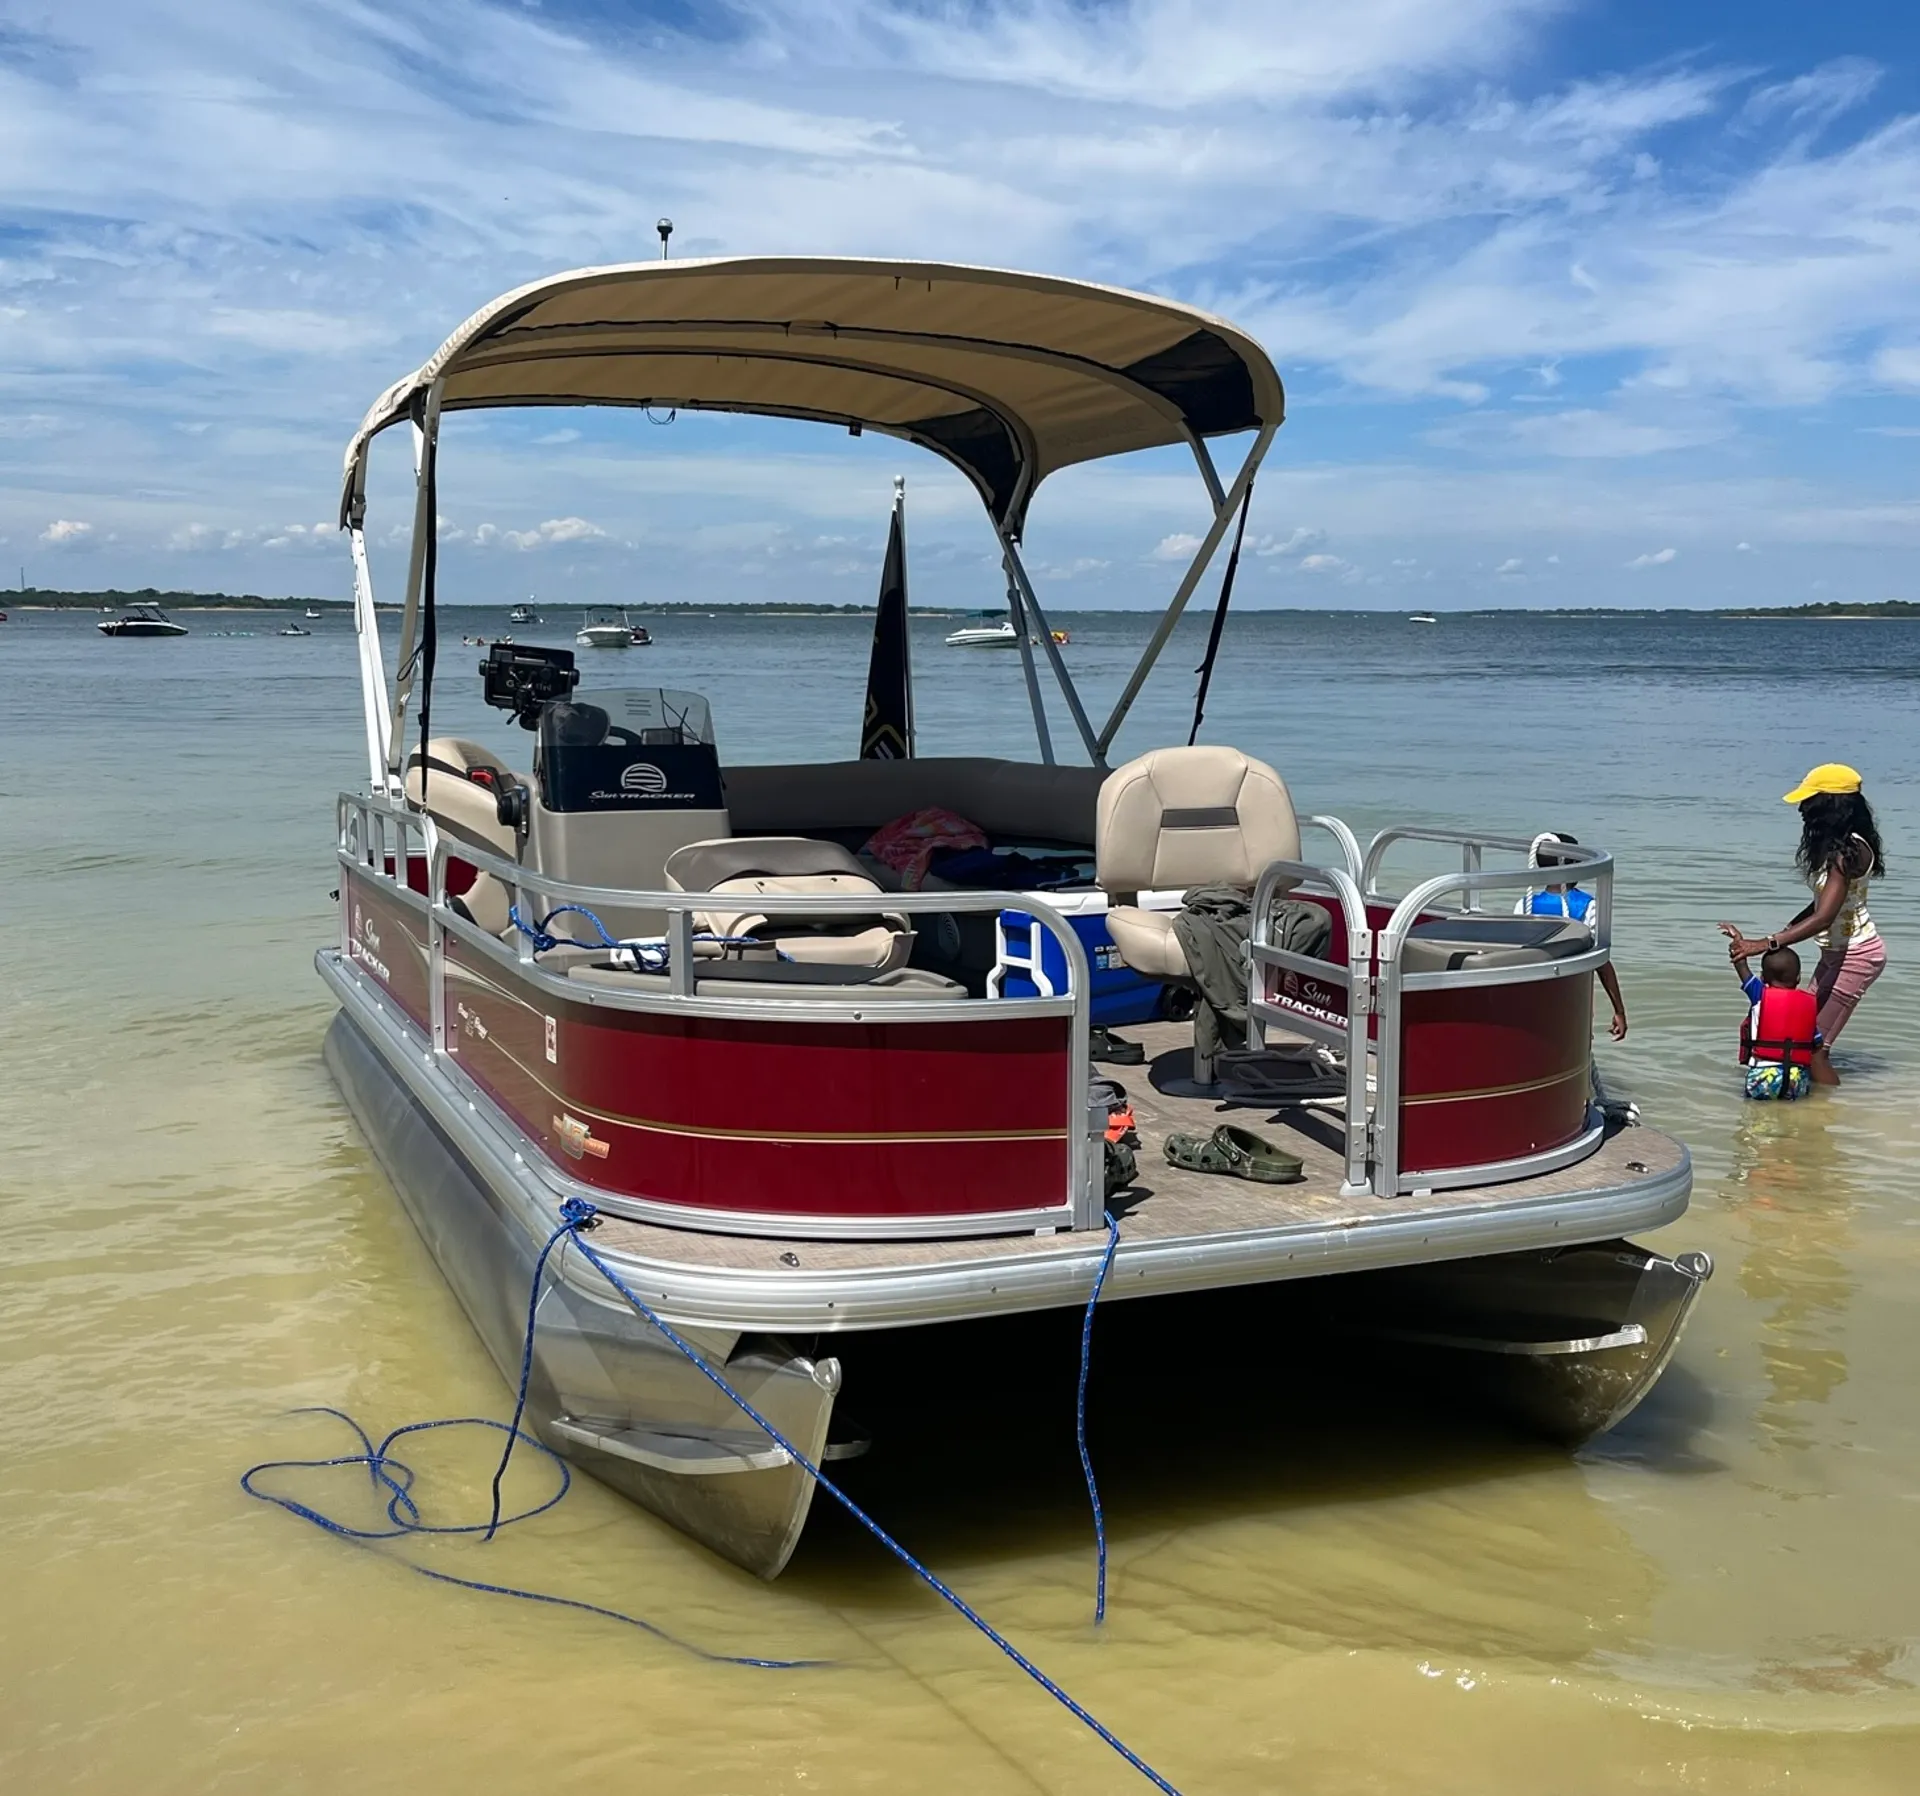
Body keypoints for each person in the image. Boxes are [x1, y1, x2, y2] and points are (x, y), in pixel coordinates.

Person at [1722, 764, 1886, 1087]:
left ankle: (1829, 1118)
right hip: (1835, 954)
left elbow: (1824, 916)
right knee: (1799, 1036)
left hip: (1857, 956)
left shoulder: (1847, 853)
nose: (1801, 809)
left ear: (1829, 805)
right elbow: (1821, 905)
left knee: (1815, 1049)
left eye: (1808, 802)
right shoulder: (1838, 846)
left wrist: (1766, 943)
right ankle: (1804, 1111)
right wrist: (1786, 932)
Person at [1518, 833, 1628, 1039]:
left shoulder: (1525, 904)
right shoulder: (1588, 905)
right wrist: (1619, 1011)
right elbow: (1602, 963)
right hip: (1573, 1004)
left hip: (1531, 1001)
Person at [1721, 936, 1820, 1100]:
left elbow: (1742, 967)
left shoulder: (1759, 995)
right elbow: (1817, 1043)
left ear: (1762, 978)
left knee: (1757, 1119)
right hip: (1797, 1077)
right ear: (1798, 977)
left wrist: (1737, 945)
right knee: (1792, 1119)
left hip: (1764, 1075)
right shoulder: (1807, 1004)